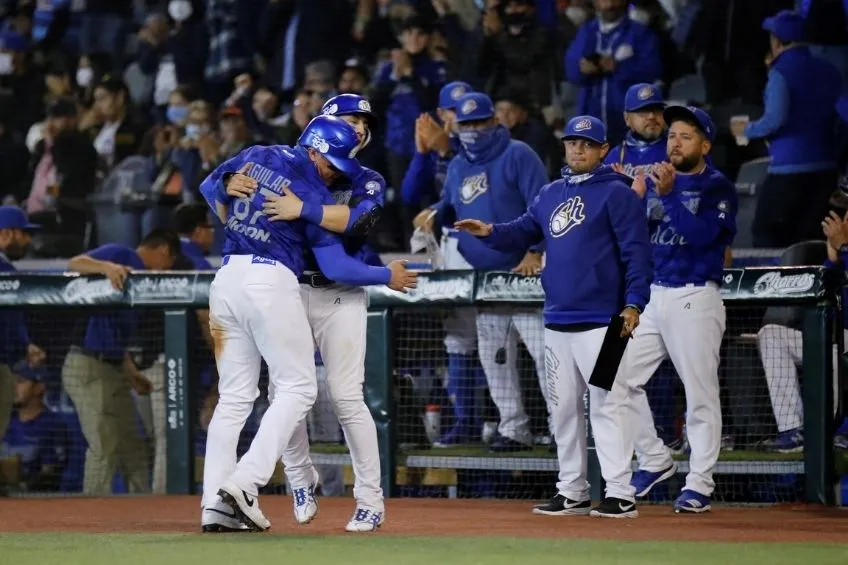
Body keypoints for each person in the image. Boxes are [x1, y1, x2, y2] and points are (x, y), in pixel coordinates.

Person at [197, 115, 416, 533]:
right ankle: (245, 484)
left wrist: (226, 189)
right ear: (313, 149)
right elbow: (334, 262)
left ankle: (214, 505)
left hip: (227, 279)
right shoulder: (309, 188)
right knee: (298, 388)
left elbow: (209, 186)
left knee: (236, 398)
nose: (335, 171)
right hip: (271, 281)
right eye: (331, 162)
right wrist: (387, 275)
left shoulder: (257, 154)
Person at [454, 115, 653, 518]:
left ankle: (620, 492)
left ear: (603, 150)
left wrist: (634, 304)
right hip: (558, 320)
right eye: (572, 142)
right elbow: (523, 230)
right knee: (562, 409)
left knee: (608, 405)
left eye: (587, 143)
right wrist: (489, 231)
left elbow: (638, 255)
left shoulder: (618, 194)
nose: (578, 149)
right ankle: (572, 490)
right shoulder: (550, 193)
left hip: (607, 322)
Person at [624, 106, 737, 513]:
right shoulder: (655, 181)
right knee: (609, 376)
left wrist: (669, 196)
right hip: (652, 296)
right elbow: (634, 238)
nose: (675, 142)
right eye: (672, 134)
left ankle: (699, 484)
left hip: (695, 295)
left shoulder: (717, 186)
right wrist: (633, 201)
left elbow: (703, 237)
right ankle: (654, 458)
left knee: (699, 393)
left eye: (686, 136)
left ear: (704, 145)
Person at [423, 92, 551, 452]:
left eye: (480, 122)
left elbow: (545, 205)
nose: (473, 130)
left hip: (525, 275)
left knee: (547, 357)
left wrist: (535, 250)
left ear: (495, 121)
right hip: (487, 281)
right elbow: (452, 205)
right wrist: (433, 213)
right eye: (466, 124)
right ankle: (514, 429)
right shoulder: (458, 165)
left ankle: (564, 430)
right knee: (495, 359)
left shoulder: (519, 154)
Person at [62, 228, 181, 495]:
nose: (167, 269)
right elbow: (73, 263)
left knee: (132, 445)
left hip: (114, 368)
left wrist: (131, 372)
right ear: (163, 250)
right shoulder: (122, 254)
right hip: (87, 365)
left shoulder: (139, 282)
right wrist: (106, 267)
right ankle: (94, 511)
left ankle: (139, 509)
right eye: (170, 261)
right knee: (103, 442)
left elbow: (115, 338)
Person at [740, 10, 843, 248]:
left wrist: (747, 130)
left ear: (776, 41)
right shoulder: (830, 69)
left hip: (788, 169)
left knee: (766, 231)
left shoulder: (781, 73)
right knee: (813, 237)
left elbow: (774, 119)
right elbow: (840, 117)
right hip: (826, 168)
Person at [0, 207, 46, 448]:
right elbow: (9, 319)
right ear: (6, 233)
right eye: (24, 233)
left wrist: (25, 344)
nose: (28, 240)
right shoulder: (4, 269)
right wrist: (24, 343)